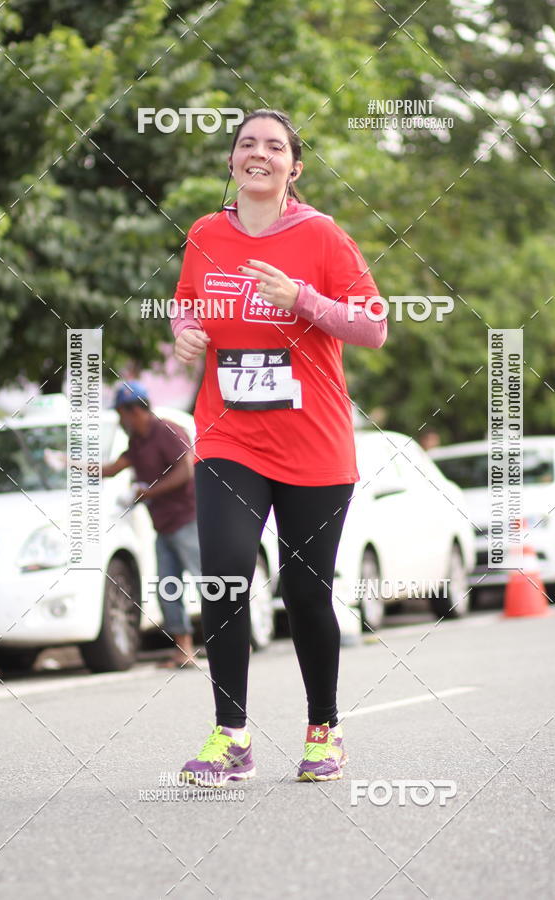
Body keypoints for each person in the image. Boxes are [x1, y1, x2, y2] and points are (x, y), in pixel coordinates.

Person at [171, 108, 386, 785]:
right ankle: (230, 736)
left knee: (305, 589)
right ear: (232, 163)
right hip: (231, 434)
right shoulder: (205, 233)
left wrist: (302, 298)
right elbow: (185, 303)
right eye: (245, 144)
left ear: (294, 167)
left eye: (274, 146)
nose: (257, 153)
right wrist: (185, 333)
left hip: (314, 445)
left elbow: (373, 327)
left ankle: (324, 728)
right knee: (228, 571)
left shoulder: (322, 236)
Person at [103, 381, 202, 668]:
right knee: (167, 588)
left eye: (122, 413)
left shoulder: (167, 431)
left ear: (135, 410)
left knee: (208, 582)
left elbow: (185, 470)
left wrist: (149, 492)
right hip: (163, 526)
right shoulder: (136, 441)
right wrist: (72, 464)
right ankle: (184, 650)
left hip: (187, 520)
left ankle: (235, 641)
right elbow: (113, 469)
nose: (121, 420)